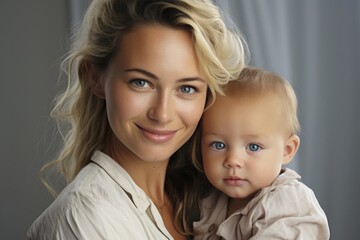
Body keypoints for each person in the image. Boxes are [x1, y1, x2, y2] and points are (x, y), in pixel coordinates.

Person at [26, 0, 247, 239]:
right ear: (96, 78)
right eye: (141, 83)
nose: (162, 114)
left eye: (186, 88)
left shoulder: (212, 200)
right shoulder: (84, 217)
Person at [192, 67, 330, 239]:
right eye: (218, 145)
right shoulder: (210, 199)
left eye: (253, 147)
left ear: (287, 151)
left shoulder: (288, 202)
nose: (233, 160)